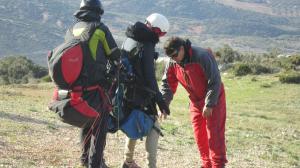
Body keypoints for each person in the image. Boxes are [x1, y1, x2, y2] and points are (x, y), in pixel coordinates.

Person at [67, 0, 120, 167]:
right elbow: (116, 57)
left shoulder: (71, 29)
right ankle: (95, 164)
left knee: (86, 121)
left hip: (75, 88)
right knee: (99, 127)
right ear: (99, 11)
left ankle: (84, 160)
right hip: (96, 88)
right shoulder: (100, 29)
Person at [161, 37, 228, 168]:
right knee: (200, 137)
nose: (173, 58)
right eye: (170, 56)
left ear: (182, 49)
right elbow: (167, 85)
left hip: (214, 99)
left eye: (174, 55)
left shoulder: (202, 56)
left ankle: (218, 165)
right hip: (195, 102)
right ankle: (206, 164)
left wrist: (209, 104)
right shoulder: (172, 62)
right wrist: (164, 104)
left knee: (215, 136)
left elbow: (215, 80)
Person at [120, 13, 170, 168]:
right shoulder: (147, 43)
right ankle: (151, 165)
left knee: (133, 123)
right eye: (161, 34)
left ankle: (128, 162)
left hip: (127, 91)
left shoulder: (130, 37)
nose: (160, 37)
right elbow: (149, 77)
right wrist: (160, 101)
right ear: (157, 30)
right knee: (154, 127)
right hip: (141, 93)